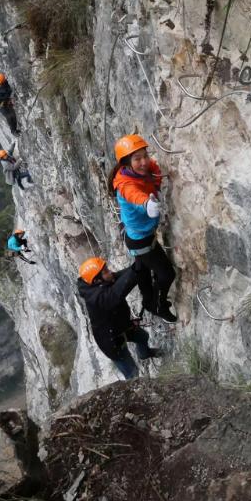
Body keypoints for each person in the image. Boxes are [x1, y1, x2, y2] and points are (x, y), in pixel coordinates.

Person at [108, 134, 178, 323]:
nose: (144, 162)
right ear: (126, 163)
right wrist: (148, 203)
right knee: (167, 274)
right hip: (141, 239)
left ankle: (148, 301)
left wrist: (156, 181)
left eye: (144, 156)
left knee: (144, 269)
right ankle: (158, 305)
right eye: (137, 159)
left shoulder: (140, 170)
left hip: (136, 235)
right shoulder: (125, 184)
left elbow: (152, 168)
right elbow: (134, 195)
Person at [77, 256, 161, 380]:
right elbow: (116, 293)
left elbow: (121, 276)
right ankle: (139, 393)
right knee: (132, 373)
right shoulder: (97, 298)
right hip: (111, 341)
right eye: (105, 271)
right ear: (97, 280)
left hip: (121, 325)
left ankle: (144, 354)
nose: (110, 272)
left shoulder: (100, 282)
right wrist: (136, 270)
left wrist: (138, 264)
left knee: (143, 336)